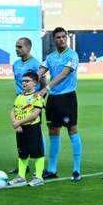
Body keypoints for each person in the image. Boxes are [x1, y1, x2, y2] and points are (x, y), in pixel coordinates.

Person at [38, 26, 81, 181]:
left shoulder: (72, 55)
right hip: (53, 99)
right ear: (54, 39)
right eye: (58, 37)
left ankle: (76, 169)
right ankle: (52, 169)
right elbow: (40, 71)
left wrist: (46, 88)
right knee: (53, 131)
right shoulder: (50, 57)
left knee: (72, 130)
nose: (61, 39)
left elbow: (64, 74)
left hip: (68, 97)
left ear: (66, 38)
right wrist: (34, 79)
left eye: (63, 36)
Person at [8, 72, 46, 188]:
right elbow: (13, 111)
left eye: (27, 81)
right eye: (23, 81)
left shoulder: (37, 97)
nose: (24, 83)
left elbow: (35, 114)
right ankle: (21, 177)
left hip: (33, 128)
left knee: (37, 153)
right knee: (22, 153)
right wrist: (16, 123)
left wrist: (19, 122)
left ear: (35, 83)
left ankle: (39, 177)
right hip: (20, 129)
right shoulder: (19, 96)